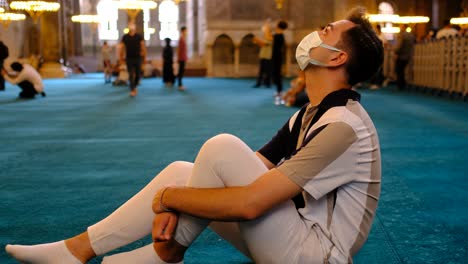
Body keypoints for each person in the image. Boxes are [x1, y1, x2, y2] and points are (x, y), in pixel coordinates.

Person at [5, 6, 383, 264]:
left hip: (315, 254)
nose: (315, 34)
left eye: (326, 31)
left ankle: (164, 255)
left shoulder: (342, 127)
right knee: (183, 170)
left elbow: (250, 203)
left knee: (219, 148)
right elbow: (245, 171)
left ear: (336, 57)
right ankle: (77, 251)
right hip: (294, 235)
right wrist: (179, 195)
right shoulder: (310, 113)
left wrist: (167, 200)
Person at [120, 22, 147, 97]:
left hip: (138, 58)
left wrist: (144, 57)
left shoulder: (139, 36)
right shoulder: (125, 37)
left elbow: (143, 47)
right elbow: (122, 48)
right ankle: (132, 89)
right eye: (130, 25)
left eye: (133, 25)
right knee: (131, 74)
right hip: (129, 58)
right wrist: (121, 58)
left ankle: (134, 85)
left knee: (138, 74)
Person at [271, 20, 288, 105]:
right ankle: (278, 91)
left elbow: (268, 37)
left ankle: (280, 91)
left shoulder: (279, 35)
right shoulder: (278, 35)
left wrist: (266, 27)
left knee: (277, 74)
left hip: (277, 57)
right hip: (276, 56)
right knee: (275, 74)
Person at [394, 24, 415, 90]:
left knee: (399, 71)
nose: (400, 28)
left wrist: (396, 52)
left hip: (401, 55)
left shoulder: (402, 35)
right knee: (403, 70)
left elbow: (399, 45)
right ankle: (403, 84)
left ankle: (400, 85)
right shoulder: (411, 35)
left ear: (404, 27)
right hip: (408, 55)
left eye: (400, 26)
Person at [252, 20, 273, 88]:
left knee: (268, 71)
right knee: (261, 71)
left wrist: (257, 40)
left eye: (266, 30)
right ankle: (259, 83)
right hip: (263, 56)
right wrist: (257, 41)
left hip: (268, 57)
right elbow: (262, 45)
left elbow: (264, 43)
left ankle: (267, 83)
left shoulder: (271, 38)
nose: (264, 31)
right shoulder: (265, 37)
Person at [176, 26, 187, 91]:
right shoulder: (181, 39)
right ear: (182, 31)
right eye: (185, 31)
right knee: (180, 71)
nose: (186, 32)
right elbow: (179, 49)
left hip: (183, 57)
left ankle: (180, 84)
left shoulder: (183, 39)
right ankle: (180, 85)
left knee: (182, 71)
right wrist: (178, 58)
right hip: (181, 58)